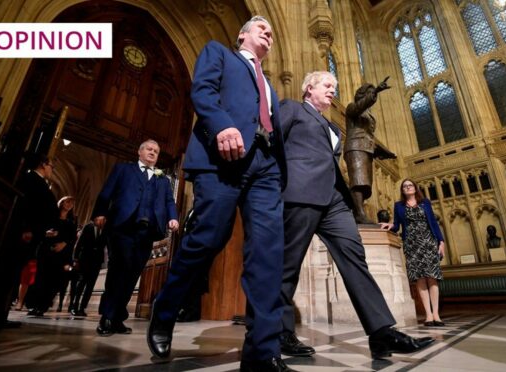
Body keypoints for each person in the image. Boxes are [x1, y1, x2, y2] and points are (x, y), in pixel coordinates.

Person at [147, 16, 292, 372]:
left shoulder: (270, 86)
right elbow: (203, 91)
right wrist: (222, 124)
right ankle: (165, 311)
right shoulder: (219, 53)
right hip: (222, 158)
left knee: (268, 253)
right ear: (243, 35)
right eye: (262, 29)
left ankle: (262, 351)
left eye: (272, 33)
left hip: (265, 167)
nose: (269, 35)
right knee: (207, 239)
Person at [277, 71, 434, 360]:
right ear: (308, 88)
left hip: (335, 200)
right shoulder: (291, 108)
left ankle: (381, 332)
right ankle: (280, 332)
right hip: (300, 193)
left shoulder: (334, 127)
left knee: (355, 258)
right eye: (327, 85)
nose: (332, 91)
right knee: (288, 264)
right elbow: (273, 143)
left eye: (334, 87)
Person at [92, 139, 179, 336]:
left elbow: (168, 201)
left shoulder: (163, 179)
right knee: (118, 270)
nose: (152, 152)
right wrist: (100, 212)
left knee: (132, 273)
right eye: (149, 149)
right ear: (139, 152)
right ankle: (107, 317)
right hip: (122, 227)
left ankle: (117, 318)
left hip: (146, 233)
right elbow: (108, 191)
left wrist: (173, 218)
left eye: (156, 151)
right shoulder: (123, 169)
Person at [381, 179, 446, 327]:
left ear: (415, 188)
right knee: (420, 278)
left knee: (432, 277)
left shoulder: (425, 203)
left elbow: (434, 224)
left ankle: (436, 314)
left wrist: (441, 242)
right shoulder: (399, 206)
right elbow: (397, 225)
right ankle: (428, 315)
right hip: (412, 244)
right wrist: (390, 225)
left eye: (410, 185)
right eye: (405, 186)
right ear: (403, 190)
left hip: (429, 242)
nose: (407, 187)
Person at [13, 154, 59, 312]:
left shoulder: (38, 181)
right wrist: (27, 229)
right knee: (15, 269)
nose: (52, 170)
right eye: (52, 166)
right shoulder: (31, 179)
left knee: (19, 267)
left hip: (35, 233)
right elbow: (26, 206)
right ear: (43, 164)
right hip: (27, 233)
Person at [344, 78, 393, 224]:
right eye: (370, 93)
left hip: (366, 149)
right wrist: (376, 91)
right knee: (359, 182)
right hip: (355, 147)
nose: (373, 96)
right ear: (362, 95)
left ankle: (358, 212)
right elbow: (360, 107)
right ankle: (359, 213)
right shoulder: (352, 108)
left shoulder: (368, 114)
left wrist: (383, 152)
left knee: (365, 185)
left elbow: (369, 136)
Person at [27, 196, 77, 316]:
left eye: (72, 203)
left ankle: (43, 306)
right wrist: (46, 234)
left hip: (60, 255)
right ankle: (34, 305)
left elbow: (72, 238)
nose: (69, 204)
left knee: (53, 280)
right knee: (41, 278)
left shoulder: (71, 222)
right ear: (61, 202)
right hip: (45, 251)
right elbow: (40, 230)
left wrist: (63, 244)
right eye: (67, 201)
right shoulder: (50, 216)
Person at [69, 216, 107, 316]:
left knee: (90, 286)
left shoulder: (105, 230)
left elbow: (108, 244)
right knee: (81, 283)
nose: (103, 221)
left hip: (97, 262)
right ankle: (74, 306)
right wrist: (75, 259)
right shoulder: (88, 227)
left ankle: (82, 307)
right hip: (85, 259)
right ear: (97, 218)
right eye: (102, 219)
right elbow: (79, 243)